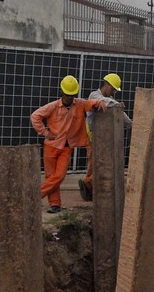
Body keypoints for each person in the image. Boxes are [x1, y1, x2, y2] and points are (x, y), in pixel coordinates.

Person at [29, 75, 104, 213]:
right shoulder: (53, 106)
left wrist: (100, 103)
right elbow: (35, 116)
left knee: (60, 176)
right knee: (51, 177)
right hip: (51, 146)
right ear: (62, 93)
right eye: (68, 95)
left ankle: (33, 197)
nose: (70, 97)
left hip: (66, 147)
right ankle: (55, 204)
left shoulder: (80, 104)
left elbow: (92, 102)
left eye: (72, 95)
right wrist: (45, 133)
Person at [80, 73, 130, 202]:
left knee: (100, 163)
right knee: (94, 162)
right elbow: (110, 103)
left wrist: (131, 124)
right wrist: (117, 104)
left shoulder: (110, 100)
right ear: (106, 84)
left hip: (103, 137)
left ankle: (90, 187)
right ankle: (87, 185)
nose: (113, 91)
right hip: (92, 135)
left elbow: (121, 113)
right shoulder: (94, 95)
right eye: (112, 88)